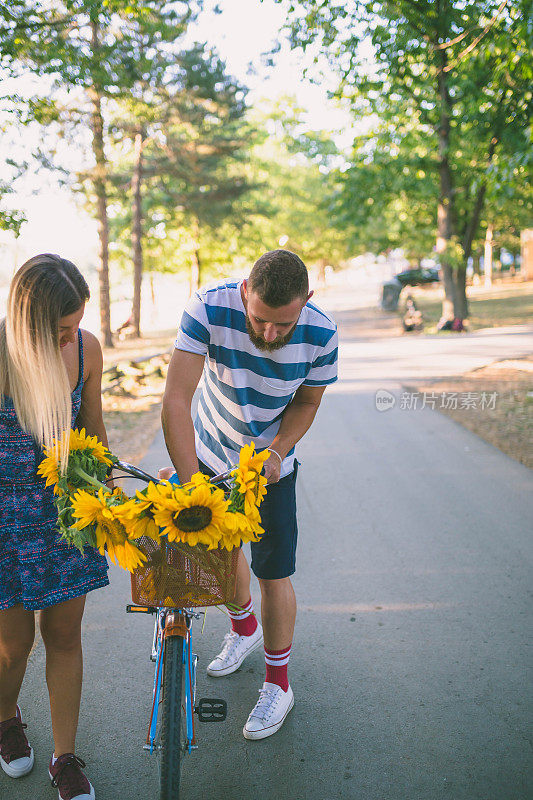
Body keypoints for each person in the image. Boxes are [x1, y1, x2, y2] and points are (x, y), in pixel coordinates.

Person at [161, 249, 338, 740]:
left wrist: (279, 450)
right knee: (220, 553)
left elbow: (307, 402)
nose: (269, 335)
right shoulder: (207, 308)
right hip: (210, 457)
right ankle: (243, 629)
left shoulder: (322, 332)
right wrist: (188, 476)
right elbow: (177, 397)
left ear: (306, 303)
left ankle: (278, 685)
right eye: (260, 320)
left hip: (270, 469)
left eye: (283, 324)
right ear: (244, 291)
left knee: (273, 573)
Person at [0, 254, 110, 800]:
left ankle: (65, 757)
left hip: (67, 519)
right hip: (5, 525)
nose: (72, 339)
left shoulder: (86, 350)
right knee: (11, 646)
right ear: (28, 326)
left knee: (64, 635)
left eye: (75, 328)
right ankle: (5, 719)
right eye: (60, 331)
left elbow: (95, 434)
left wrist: (110, 502)